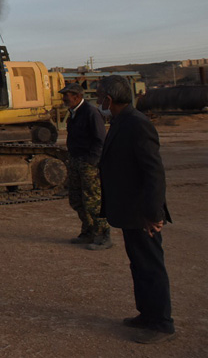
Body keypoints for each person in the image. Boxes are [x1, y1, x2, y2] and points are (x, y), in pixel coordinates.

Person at [96, 75, 175, 344]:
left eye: (99, 95)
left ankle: (162, 324)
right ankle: (147, 315)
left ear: (109, 98)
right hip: (130, 211)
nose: (97, 100)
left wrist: (154, 214)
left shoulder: (138, 124)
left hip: (142, 213)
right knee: (139, 266)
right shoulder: (121, 121)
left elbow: (154, 173)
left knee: (151, 267)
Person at [58, 82, 110, 249]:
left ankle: (103, 235)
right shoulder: (74, 113)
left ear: (77, 96)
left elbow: (100, 140)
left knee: (92, 200)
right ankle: (88, 232)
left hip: (88, 163)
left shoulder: (90, 113)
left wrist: (91, 161)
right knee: (76, 199)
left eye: (66, 96)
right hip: (76, 161)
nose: (64, 99)